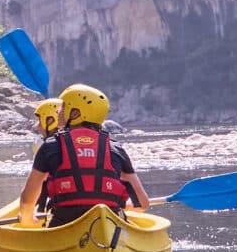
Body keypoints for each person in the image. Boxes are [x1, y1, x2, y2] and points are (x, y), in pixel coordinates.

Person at [16, 83, 151, 225]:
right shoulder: (115, 148)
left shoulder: (50, 146)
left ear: (75, 113)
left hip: (64, 223)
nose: (58, 112)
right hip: (109, 222)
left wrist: (27, 220)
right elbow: (142, 203)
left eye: (63, 107)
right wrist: (120, 205)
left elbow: (27, 201)